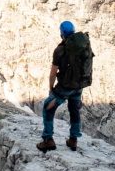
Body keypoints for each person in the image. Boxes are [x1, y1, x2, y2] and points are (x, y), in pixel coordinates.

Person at [37, 20, 93, 153]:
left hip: (65, 87)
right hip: (79, 85)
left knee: (48, 108)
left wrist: (51, 89)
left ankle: (48, 140)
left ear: (61, 34)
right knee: (74, 110)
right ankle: (73, 140)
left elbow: (53, 73)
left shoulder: (60, 50)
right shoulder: (83, 43)